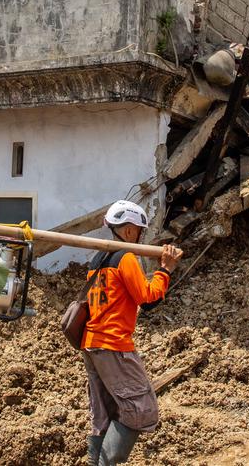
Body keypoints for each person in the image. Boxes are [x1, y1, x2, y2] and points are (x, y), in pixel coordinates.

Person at [82, 200, 182, 466]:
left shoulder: (98, 258)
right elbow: (147, 299)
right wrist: (165, 269)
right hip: (113, 344)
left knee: (104, 412)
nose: (140, 237)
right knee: (141, 409)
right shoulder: (125, 257)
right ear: (128, 232)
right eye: (139, 231)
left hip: (92, 344)